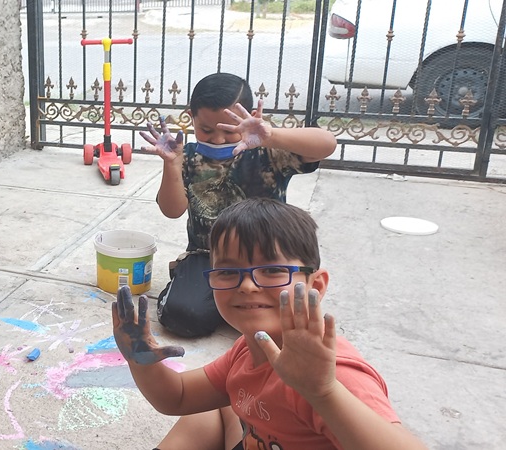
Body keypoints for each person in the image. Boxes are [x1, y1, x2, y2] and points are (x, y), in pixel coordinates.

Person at [111, 198, 428, 450]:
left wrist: (323, 392)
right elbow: (178, 397)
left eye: (273, 270)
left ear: (315, 286)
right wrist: (141, 362)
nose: (247, 285)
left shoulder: (334, 373)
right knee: (216, 405)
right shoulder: (245, 351)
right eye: (227, 272)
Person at [139, 72, 336, 338]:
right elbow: (171, 210)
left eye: (228, 130)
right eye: (206, 130)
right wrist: (171, 164)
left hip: (267, 257)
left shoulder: (268, 151)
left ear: (248, 116)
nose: (218, 139)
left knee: (287, 317)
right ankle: (193, 283)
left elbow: (326, 145)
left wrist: (271, 136)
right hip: (209, 257)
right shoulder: (186, 156)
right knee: (183, 318)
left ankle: (226, 302)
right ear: (191, 117)